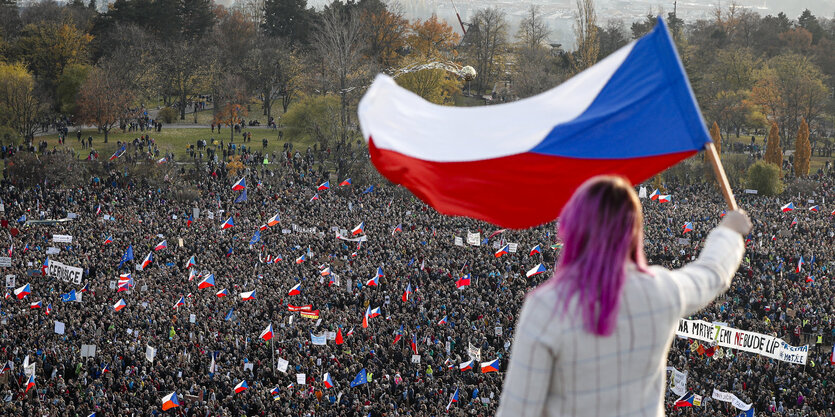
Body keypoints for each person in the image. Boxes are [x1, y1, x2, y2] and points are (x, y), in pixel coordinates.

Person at [496, 175, 752, 417]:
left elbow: (517, 410)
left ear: (574, 228)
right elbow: (710, 273)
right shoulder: (661, 290)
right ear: (634, 232)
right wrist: (729, 231)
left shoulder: (545, 306)